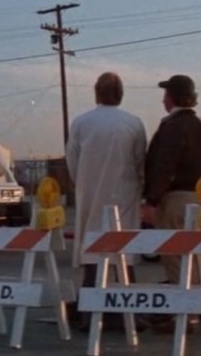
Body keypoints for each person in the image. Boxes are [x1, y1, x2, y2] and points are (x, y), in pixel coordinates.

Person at [65, 72, 147, 330]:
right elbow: (139, 161)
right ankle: (128, 315)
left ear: (97, 93)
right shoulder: (133, 123)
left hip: (90, 193)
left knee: (92, 253)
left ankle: (90, 314)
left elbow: (72, 161)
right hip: (124, 193)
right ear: (120, 94)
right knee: (124, 252)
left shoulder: (81, 122)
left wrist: (83, 183)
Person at [143, 74, 201, 333]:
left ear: (173, 98)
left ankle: (183, 315)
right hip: (197, 196)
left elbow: (164, 165)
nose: (163, 99)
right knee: (196, 258)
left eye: (166, 94)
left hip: (176, 197)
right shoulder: (198, 125)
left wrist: (152, 200)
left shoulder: (173, 127)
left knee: (176, 256)